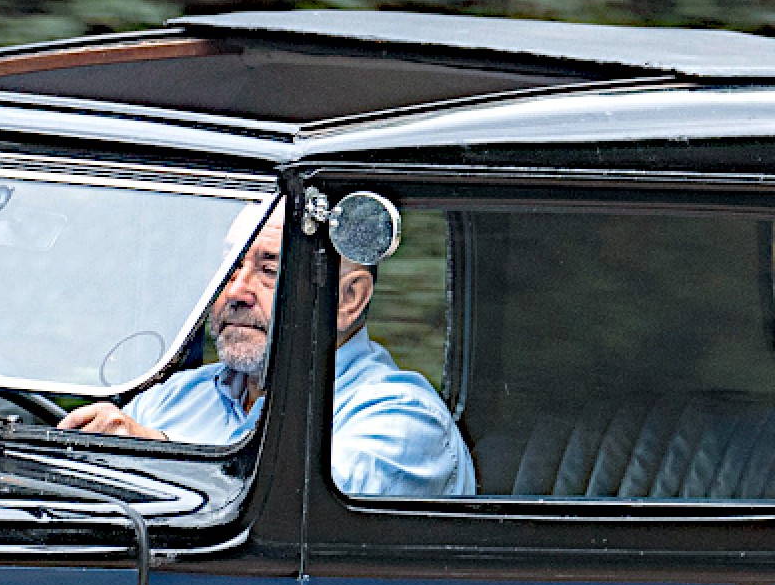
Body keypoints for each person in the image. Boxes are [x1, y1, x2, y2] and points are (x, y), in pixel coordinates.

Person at [59, 209, 476, 498]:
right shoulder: (176, 397)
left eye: (269, 271)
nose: (235, 292)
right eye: (228, 268)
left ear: (348, 299)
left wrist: (158, 454)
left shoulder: (403, 420)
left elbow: (296, 511)